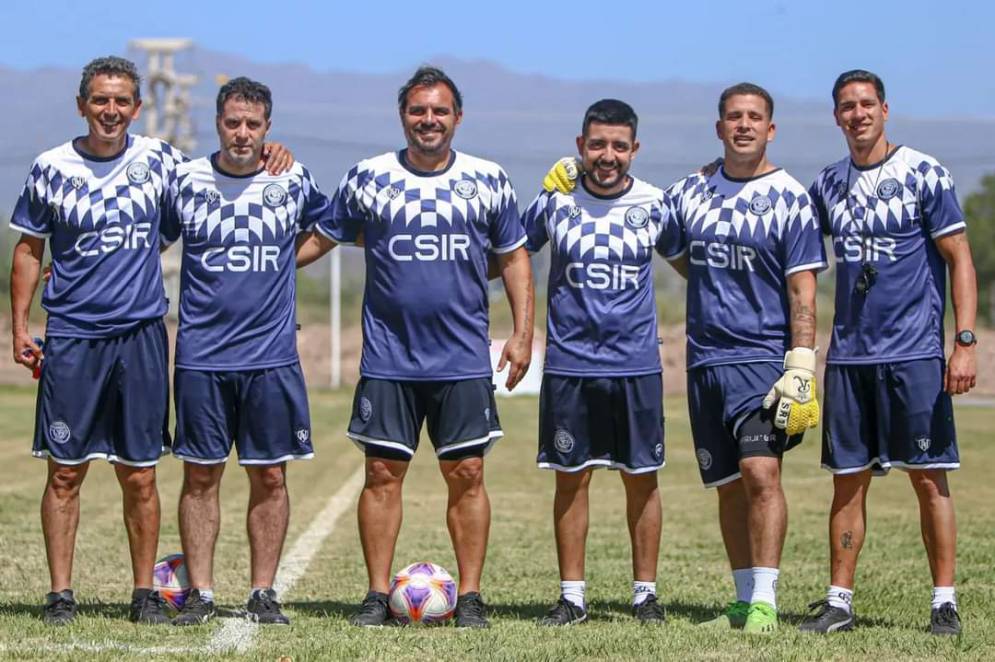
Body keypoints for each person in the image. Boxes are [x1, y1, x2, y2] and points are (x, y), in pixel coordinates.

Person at [8, 56, 292, 626]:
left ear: (136, 109)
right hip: (71, 338)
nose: (110, 111)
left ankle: (143, 595)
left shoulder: (162, 162)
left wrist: (270, 153)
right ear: (82, 105)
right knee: (64, 471)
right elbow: (28, 250)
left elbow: (224, 169)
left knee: (139, 472)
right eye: (99, 100)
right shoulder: (49, 168)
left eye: (121, 102)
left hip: (140, 336)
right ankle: (60, 595)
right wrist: (18, 325)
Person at [543, 83, 826, 634]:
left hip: (762, 359)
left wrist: (801, 361)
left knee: (760, 471)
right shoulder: (688, 193)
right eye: (732, 118)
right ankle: (743, 600)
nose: (743, 126)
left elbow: (803, 290)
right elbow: (630, 206)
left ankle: (767, 598)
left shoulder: (791, 196)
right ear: (719, 128)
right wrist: (572, 174)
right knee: (725, 482)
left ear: (770, 129)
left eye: (754, 118)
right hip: (702, 361)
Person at [313, 66, 534, 628]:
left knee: (467, 474)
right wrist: (263, 270)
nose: (428, 120)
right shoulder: (369, 177)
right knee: (382, 473)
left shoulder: (488, 179)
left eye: (439, 111)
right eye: (417, 110)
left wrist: (523, 332)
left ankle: (473, 597)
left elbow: (513, 257)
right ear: (402, 116)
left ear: (457, 117)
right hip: (389, 357)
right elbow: (322, 235)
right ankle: (372, 593)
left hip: (461, 358)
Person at [799, 70, 977, 636]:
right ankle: (839, 603)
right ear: (836, 117)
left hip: (916, 355)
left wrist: (964, 341)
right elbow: (788, 241)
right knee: (847, 480)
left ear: (885, 109)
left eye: (867, 104)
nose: (858, 114)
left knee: (929, 478)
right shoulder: (827, 184)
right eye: (847, 107)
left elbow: (960, 259)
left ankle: (944, 602)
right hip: (850, 359)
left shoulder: (924, 173)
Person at [161, 77, 329, 626]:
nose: (242, 133)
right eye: (233, 122)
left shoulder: (292, 178)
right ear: (218, 123)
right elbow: (150, 238)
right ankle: (202, 596)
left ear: (267, 129)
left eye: (253, 124)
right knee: (201, 476)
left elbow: (330, 229)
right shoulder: (184, 180)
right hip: (202, 358)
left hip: (271, 358)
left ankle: (262, 593)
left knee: (270, 476)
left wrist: (284, 260)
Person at [523, 99, 682, 626]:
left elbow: (693, 269)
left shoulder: (656, 205)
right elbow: (512, 251)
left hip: (635, 366)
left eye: (618, 146)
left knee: (642, 479)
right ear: (579, 147)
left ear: (634, 149)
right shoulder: (556, 202)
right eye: (597, 145)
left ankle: (645, 596)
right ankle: (572, 597)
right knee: (572, 480)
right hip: (570, 366)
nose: (607, 155)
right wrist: (541, 193)